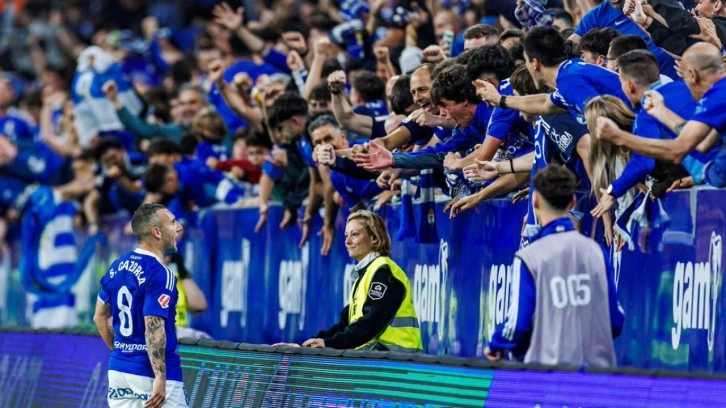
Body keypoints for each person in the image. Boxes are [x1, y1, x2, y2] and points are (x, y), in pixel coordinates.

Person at [485, 165, 624, 368]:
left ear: (535, 201)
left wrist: (497, 344)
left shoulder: (529, 258)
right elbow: (615, 320)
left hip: (548, 376)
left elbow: (517, 325)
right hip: (596, 377)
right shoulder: (597, 252)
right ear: (572, 201)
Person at [273, 210, 422, 352]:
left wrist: (329, 344)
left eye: (355, 234)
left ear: (374, 238)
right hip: (380, 358)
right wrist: (305, 346)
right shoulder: (368, 273)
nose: (347, 241)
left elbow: (370, 324)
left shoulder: (384, 273)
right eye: (346, 236)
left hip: (397, 360)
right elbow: (345, 326)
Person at [93, 203, 188, 408]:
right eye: (172, 222)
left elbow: (99, 317)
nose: (179, 227)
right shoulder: (160, 273)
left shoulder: (116, 267)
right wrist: (160, 377)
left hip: (119, 370)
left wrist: (121, 353)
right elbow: (153, 325)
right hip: (150, 373)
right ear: (156, 232)